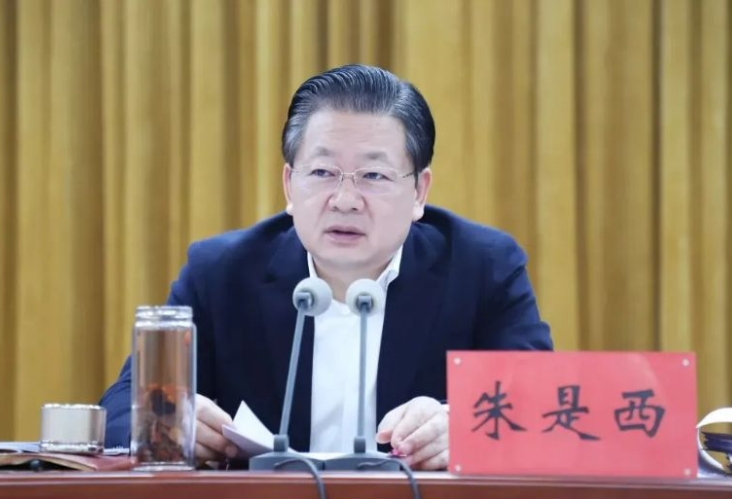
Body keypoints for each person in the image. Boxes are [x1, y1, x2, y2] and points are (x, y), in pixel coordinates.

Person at [99, 64, 553, 471]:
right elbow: (123, 407)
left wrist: (465, 427)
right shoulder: (221, 274)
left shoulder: (482, 268)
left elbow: (542, 407)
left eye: (373, 176)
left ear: (419, 192)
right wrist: (167, 420)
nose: (345, 200)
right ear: (289, 185)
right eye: (322, 173)